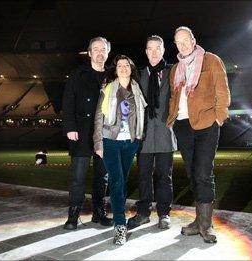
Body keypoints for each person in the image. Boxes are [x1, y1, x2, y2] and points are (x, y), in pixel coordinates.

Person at [166, 26, 231, 243]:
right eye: (178, 42)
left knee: (203, 173)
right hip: (183, 126)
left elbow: (222, 91)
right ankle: (198, 220)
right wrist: (172, 118)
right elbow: (174, 97)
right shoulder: (175, 69)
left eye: (186, 40)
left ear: (194, 40)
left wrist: (218, 118)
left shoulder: (211, 60)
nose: (183, 45)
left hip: (206, 124)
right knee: (193, 174)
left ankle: (206, 225)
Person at [93, 54, 147, 245]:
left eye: (127, 65)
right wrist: (98, 143)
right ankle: (120, 226)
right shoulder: (108, 89)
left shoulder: (137, 90)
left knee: (122, 182)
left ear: (131, 69)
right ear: (115, 70)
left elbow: (141, 116)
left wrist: (138, 135)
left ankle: (118, 214)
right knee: (116, 182)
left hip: (129, 143)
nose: (123, 68)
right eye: (120, 65)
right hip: (110, 141)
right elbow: (99, 117)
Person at [62, 37, 113, 230]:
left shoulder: (112, 75)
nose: (100, 52)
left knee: (103, 176)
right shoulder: (78, 74)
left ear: (107, 53)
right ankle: (73, 214)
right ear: (90, 53)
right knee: (78, 176)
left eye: (103, 49)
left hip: (105, 133)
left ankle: (98, 213)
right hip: (81, 132)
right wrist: (70, 126)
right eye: (96, 49)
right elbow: (68, 101)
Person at [127, 35, 177, 230]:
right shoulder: (139, 75)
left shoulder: (172, 72)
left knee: (165, 176)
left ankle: (164, 213)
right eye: (150, 48)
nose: (154, 52)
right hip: (144, 135)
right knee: (144, 176)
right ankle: (143, 212)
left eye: (158, 48)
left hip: (165, 133)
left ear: (163, 50)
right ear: (146, 52)